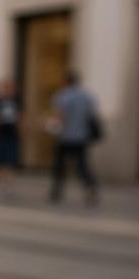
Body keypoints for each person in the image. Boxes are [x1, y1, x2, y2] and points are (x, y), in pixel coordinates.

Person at [48, 71, 100, 205]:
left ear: (66, 81)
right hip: (82, 136)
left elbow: (60, 115)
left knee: (59, 165)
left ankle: (57, 190)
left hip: (65, 136)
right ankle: (90, 187)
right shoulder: (87, 96)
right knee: (82, 164)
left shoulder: (63, 96)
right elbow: (92, 115)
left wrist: (53, 127)